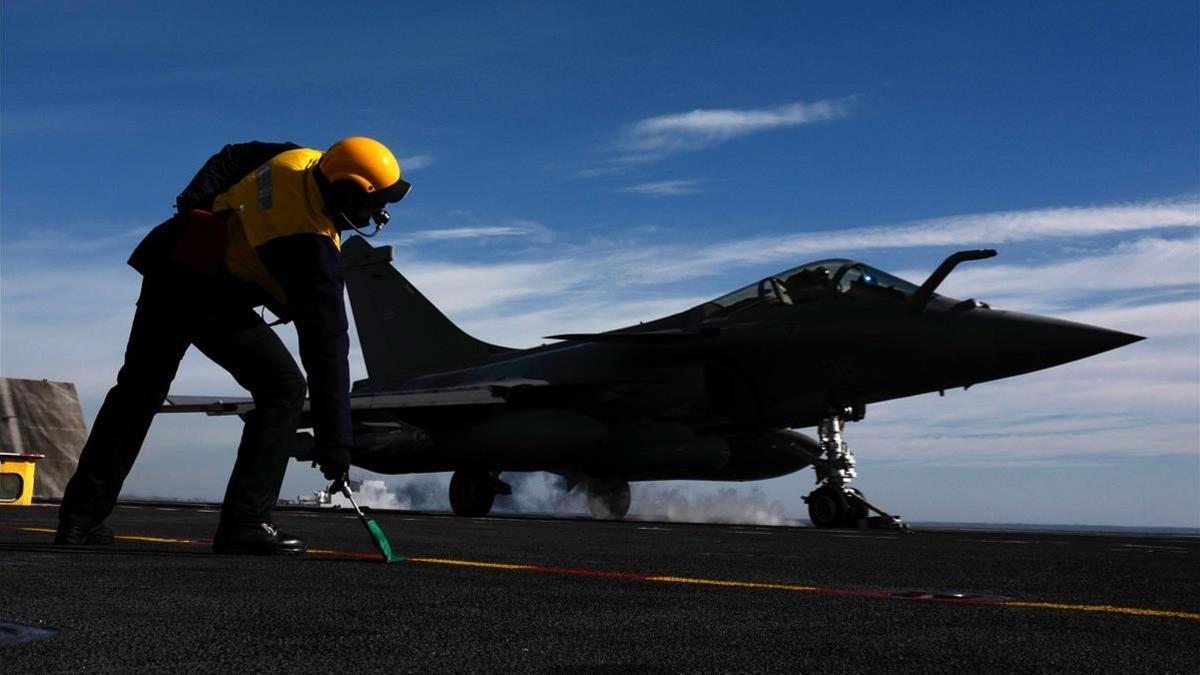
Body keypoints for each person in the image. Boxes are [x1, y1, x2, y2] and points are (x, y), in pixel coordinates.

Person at [56, 137, 411, 555]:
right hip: (209, 294)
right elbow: (327, 349)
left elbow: (233, 154)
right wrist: (337, 444)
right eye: (372, 205)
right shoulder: (311, 243)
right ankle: (245, 523)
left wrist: (196, 205)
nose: (376, 214)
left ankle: (80, 520)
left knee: (136, 392)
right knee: (283, 388)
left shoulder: (299, 158)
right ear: (348, 190)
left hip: (174, 264)